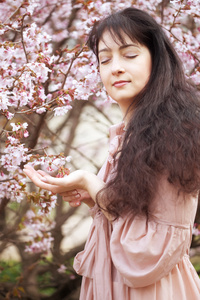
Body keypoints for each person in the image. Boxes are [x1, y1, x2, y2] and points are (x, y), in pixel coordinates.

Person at [23, 7, 200, 300]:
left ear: (157, 61)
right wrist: (95, 197)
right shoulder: (130, 134)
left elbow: (152, 250)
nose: (115, 67)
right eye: (105, 59)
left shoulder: (174, 135)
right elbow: (131, 215)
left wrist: (90, 182)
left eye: (129, 55)